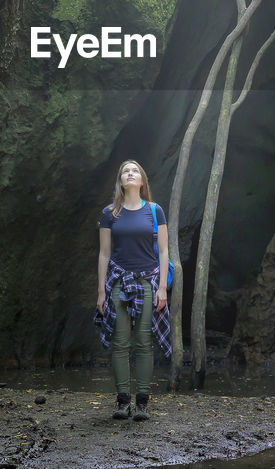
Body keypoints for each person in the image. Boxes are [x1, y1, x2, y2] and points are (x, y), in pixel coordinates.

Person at [92, 159, 171, 421]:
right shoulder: (109, 213)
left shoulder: (155, 210)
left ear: (142, 180)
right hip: (118, 281)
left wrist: (162, 288)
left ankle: (142, 404)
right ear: (120, 180)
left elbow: (163, 250)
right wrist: (101, 291)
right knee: (120, 343)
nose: (130, 173)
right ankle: (123, 401)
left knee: (144, 343)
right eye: (125, 170)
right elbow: (104, 254)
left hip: (148, 281)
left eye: (135, 170)